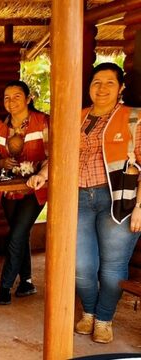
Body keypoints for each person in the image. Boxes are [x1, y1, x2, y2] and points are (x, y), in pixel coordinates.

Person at [68, 63, 139, 344]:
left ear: (121, 87)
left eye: (110, 82)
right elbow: (60, 154)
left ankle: (104, 318)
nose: (102, 88)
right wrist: (41, 174)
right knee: (81, 265)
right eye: (97, 82)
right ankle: (88, 311)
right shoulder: (78, 117)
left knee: (112, 267)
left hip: (120, 200)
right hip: (79, 197)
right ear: (89, 87)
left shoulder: (134, 117)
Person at [0, 80, 49, 306]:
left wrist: (40, 173)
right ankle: (26, 281)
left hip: (36, 189)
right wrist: (1, 161)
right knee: (18, 232)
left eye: (16, 96)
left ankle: (5, 286)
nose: (11, 101)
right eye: (6, 97)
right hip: (9, 190)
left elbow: (52, 154)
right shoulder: (0, 126)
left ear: (27, 99)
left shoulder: (42, 121)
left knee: (15, 235)